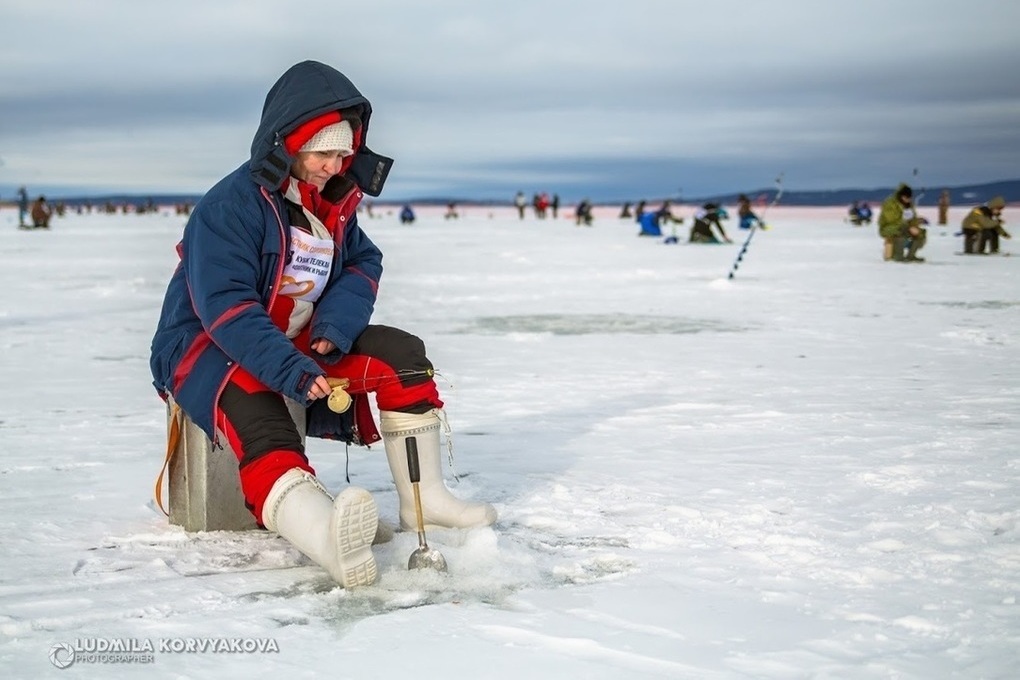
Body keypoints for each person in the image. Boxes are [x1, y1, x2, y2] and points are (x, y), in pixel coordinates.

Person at [149, 61, 496, 589]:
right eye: (325, 152)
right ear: (286, 143)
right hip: (205, 343)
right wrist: (289, 368)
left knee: (401, 358)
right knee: (258, 410)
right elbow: (226, 308)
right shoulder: (229, 208)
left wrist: (334, 327)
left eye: (344, 154)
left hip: (299, 337)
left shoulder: (331, 203)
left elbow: (363, 262)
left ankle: (426, 501)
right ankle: (323, 536)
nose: (336, 166)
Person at [878, 183, 926, 262]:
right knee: (900, 233)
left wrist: (915, 225)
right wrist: (907, 226)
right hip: (889, 227)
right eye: (906, 197)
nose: (908, 200)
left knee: (920, 233)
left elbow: (912, 218)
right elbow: (891, 219)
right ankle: (898, 256)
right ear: (901, 196)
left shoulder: (909, 205)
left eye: (909, 198)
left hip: (905, 227)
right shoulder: (890, 203)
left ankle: (911, 255)